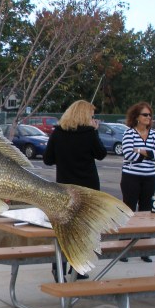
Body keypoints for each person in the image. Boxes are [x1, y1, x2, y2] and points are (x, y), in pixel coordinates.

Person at [43, 100, 107, 280]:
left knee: (64, 230)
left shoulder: (58, 133)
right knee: (84, 231)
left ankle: (58, 266)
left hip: (65, 188)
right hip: (89, 189)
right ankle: (78, 268)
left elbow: (48, 159)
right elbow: (101, 154)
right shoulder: (89, 134)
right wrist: (95, 132)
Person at [119, 101, 155, 263]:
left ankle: (144, 249)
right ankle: (124, 248)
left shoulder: (154, 134)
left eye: (150, 115)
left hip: (149, 177)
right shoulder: (129, 134)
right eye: (145, 115)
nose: (149, 118)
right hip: (131, 177)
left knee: (146, 211)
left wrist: (140, 151)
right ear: (136, 117)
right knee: (128, 210)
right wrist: (148, 154)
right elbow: (128, 155)